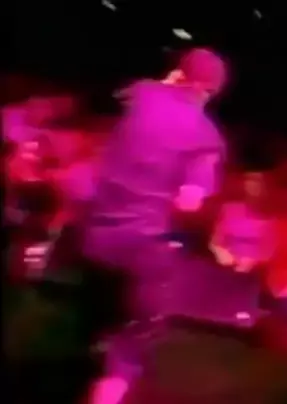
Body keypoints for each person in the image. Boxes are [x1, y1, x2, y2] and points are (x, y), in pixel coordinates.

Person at [79, 47, 228, 404]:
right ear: (211, 91)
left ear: (177, 73)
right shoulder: (205, 136)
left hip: (94, 235)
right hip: (142, 245)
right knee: (138, 333)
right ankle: (108, 389)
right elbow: (189, 202)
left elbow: (114, 102)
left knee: (93, 314)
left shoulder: (141, 94)